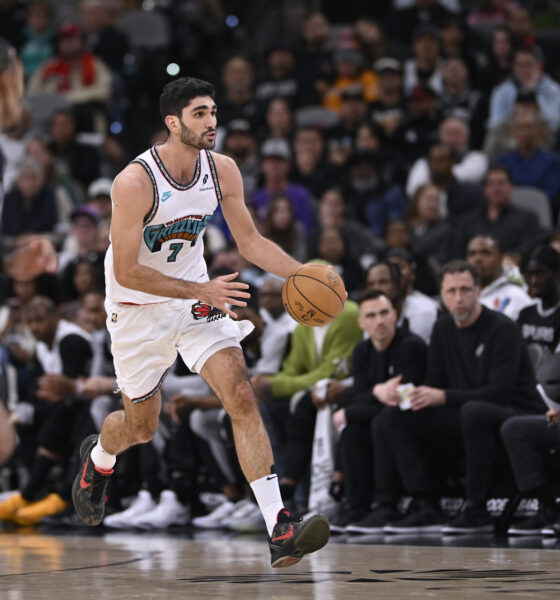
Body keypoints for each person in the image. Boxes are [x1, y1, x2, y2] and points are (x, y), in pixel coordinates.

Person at [70, 76, 330, 568]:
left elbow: (250, 243)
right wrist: (201, 289)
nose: (212, 122)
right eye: (200, 114)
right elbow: (126, 270)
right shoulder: (134, 182)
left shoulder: (222, 169)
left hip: (194, 300)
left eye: (213, 112)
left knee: (240, 392)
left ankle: (279, 527)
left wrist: (301, 273)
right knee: (141, 427)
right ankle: (99, 459)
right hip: (137, 309)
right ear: (173, 123)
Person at [466, 235, 533, 321]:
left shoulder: (516, 296)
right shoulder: (459, 294)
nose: (477, 258)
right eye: (472, 254)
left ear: (500, 259)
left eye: (485, 253)